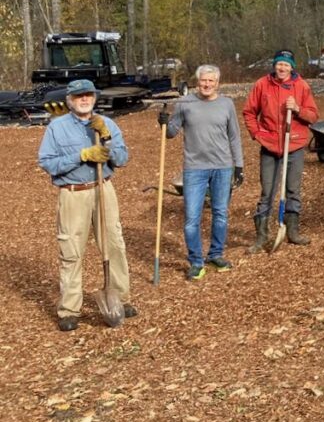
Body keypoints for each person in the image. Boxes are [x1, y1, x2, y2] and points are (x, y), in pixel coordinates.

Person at [38, 79, 137, 331]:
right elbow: (48, 163)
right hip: (73, 194)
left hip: (103, 188)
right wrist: (81, 155)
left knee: (114, 245)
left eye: (89, 95)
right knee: (71, 251)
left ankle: (121, 299)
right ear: (70, 100)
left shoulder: (108, 125)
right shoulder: (57, 128)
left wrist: (106, 139)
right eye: (79, 96)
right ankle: (70, 310)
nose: (84, 99)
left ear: (95, 98)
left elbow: (123, 159)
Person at [160, 65, 244, 280]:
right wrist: (163, 122)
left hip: (222, 166)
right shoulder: (185, 103)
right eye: (203, 81)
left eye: (211, 81)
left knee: (220, 213)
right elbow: (171, 133)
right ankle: (196, 261)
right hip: (195, 168)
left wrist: (239, 165)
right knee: (191, 218)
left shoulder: (226, 104)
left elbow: (234, 136)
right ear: (197, 82)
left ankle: (216, 254)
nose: (206, 85)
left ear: (217, 83)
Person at [243, 49, 319, 251]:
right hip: (269, 146)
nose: (282, 67)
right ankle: (261, 236)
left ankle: (292, 232)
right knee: (267, 191)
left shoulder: (301, 86)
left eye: (286, 64)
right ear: (274, 65)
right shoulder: (262, 85)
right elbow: (249, 112)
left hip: (293, 145)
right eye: (279, 64)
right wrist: (257, 133)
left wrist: (297, 110)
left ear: (292, 67)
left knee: (293, 190)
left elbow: (312, 116)